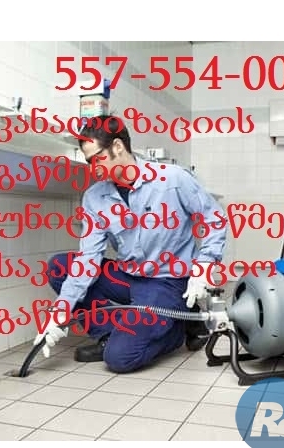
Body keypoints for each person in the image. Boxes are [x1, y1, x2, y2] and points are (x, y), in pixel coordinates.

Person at [33, 115, 227, 374]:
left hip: (166, 282)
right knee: (60, 266)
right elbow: (88, 259)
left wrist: (204, 264)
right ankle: (109, 334)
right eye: (89, 162)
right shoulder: (95, 197)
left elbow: (215, 218)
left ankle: (177, 328)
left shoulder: (172, 179)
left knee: (120, 358)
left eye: (98, 158)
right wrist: (61, 310)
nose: (94, 169)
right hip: (127, 276)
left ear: (117, 147)